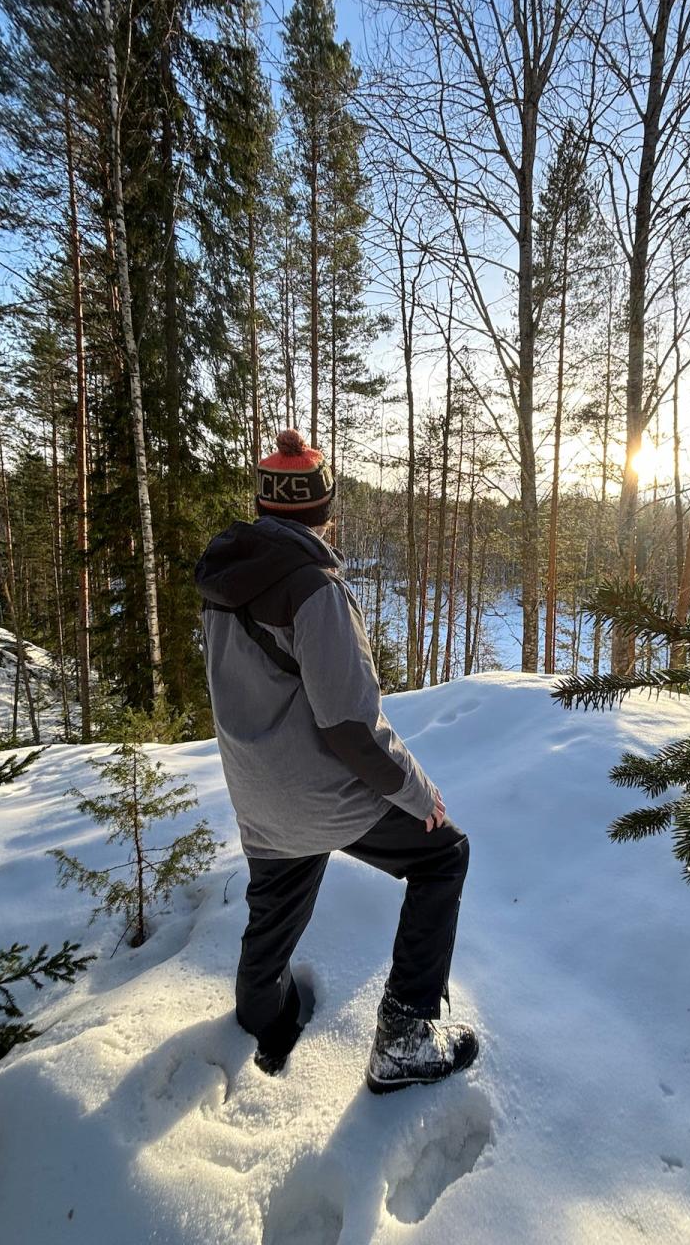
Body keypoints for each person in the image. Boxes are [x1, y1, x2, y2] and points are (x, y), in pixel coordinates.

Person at [194, 428, 478, 1092]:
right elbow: (351, 726)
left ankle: (261, 1024)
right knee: (445, 855)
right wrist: (417, 793)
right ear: (327, 512)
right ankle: (404, 1041)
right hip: (319, 795)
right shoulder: (315, 590)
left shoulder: (222, 579)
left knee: (273, 914)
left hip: (257, 794)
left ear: (263, 508)